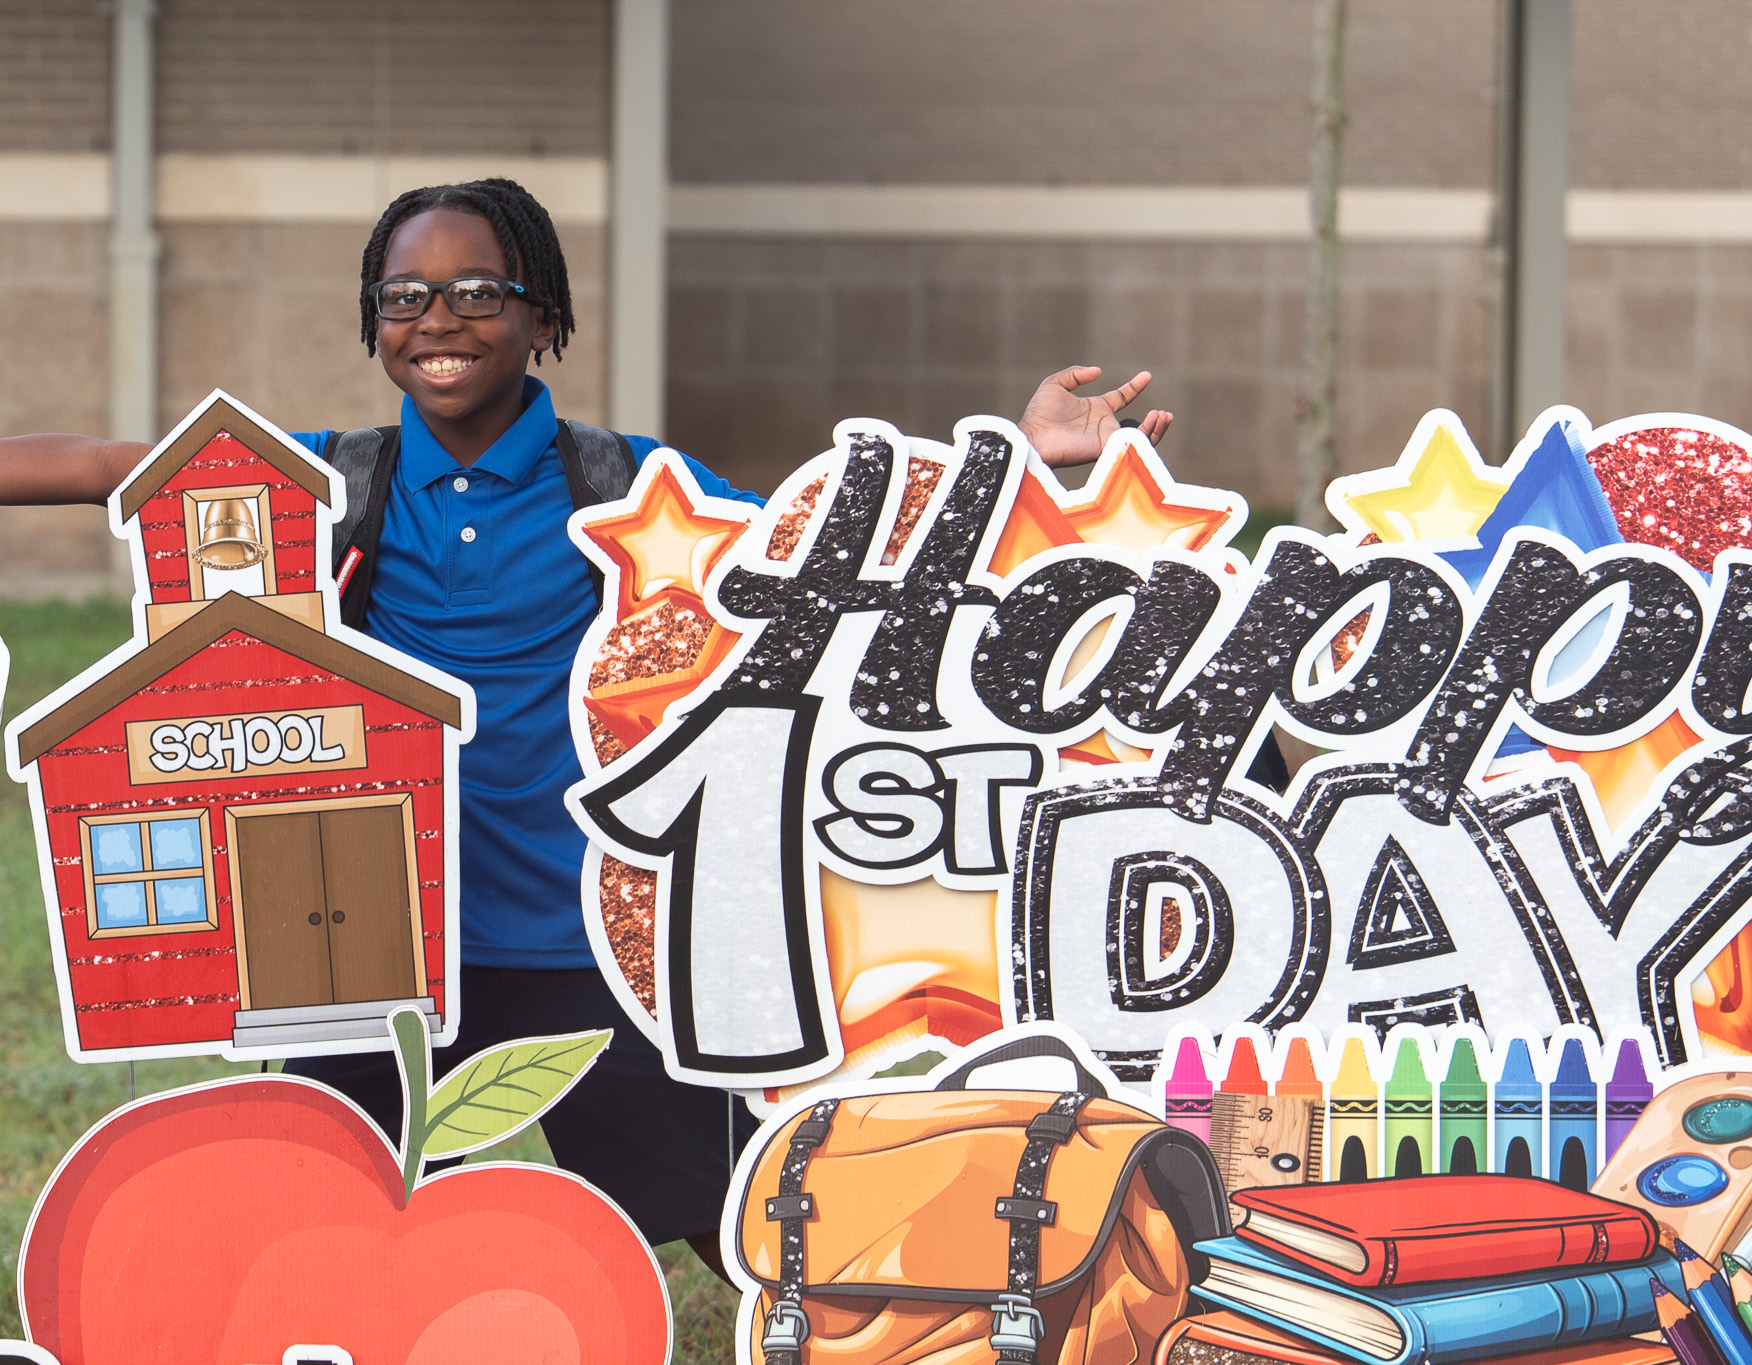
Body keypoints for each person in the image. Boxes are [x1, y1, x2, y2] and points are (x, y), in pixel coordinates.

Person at [0, 177, 1171, 1278]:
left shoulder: (628, 486)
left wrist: (1020, 459)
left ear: (542, 317)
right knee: (324, 1230)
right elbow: (106, 465)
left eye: (476, 291)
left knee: (740, 1222)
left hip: (588, 942)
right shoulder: (326, 482)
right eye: (404, 296)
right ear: (373, 323)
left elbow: (835, 537)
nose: (437, 319)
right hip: (377, 948)